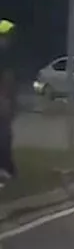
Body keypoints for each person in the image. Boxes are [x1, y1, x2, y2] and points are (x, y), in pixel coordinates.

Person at [0, 20, 16, 187]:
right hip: (3, 100)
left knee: (6, 134)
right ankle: (5, 168)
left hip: (6, 100)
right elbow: (6, 78)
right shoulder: (3, 54)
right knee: (4, 135)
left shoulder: (8, 54)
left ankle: (8, 167)